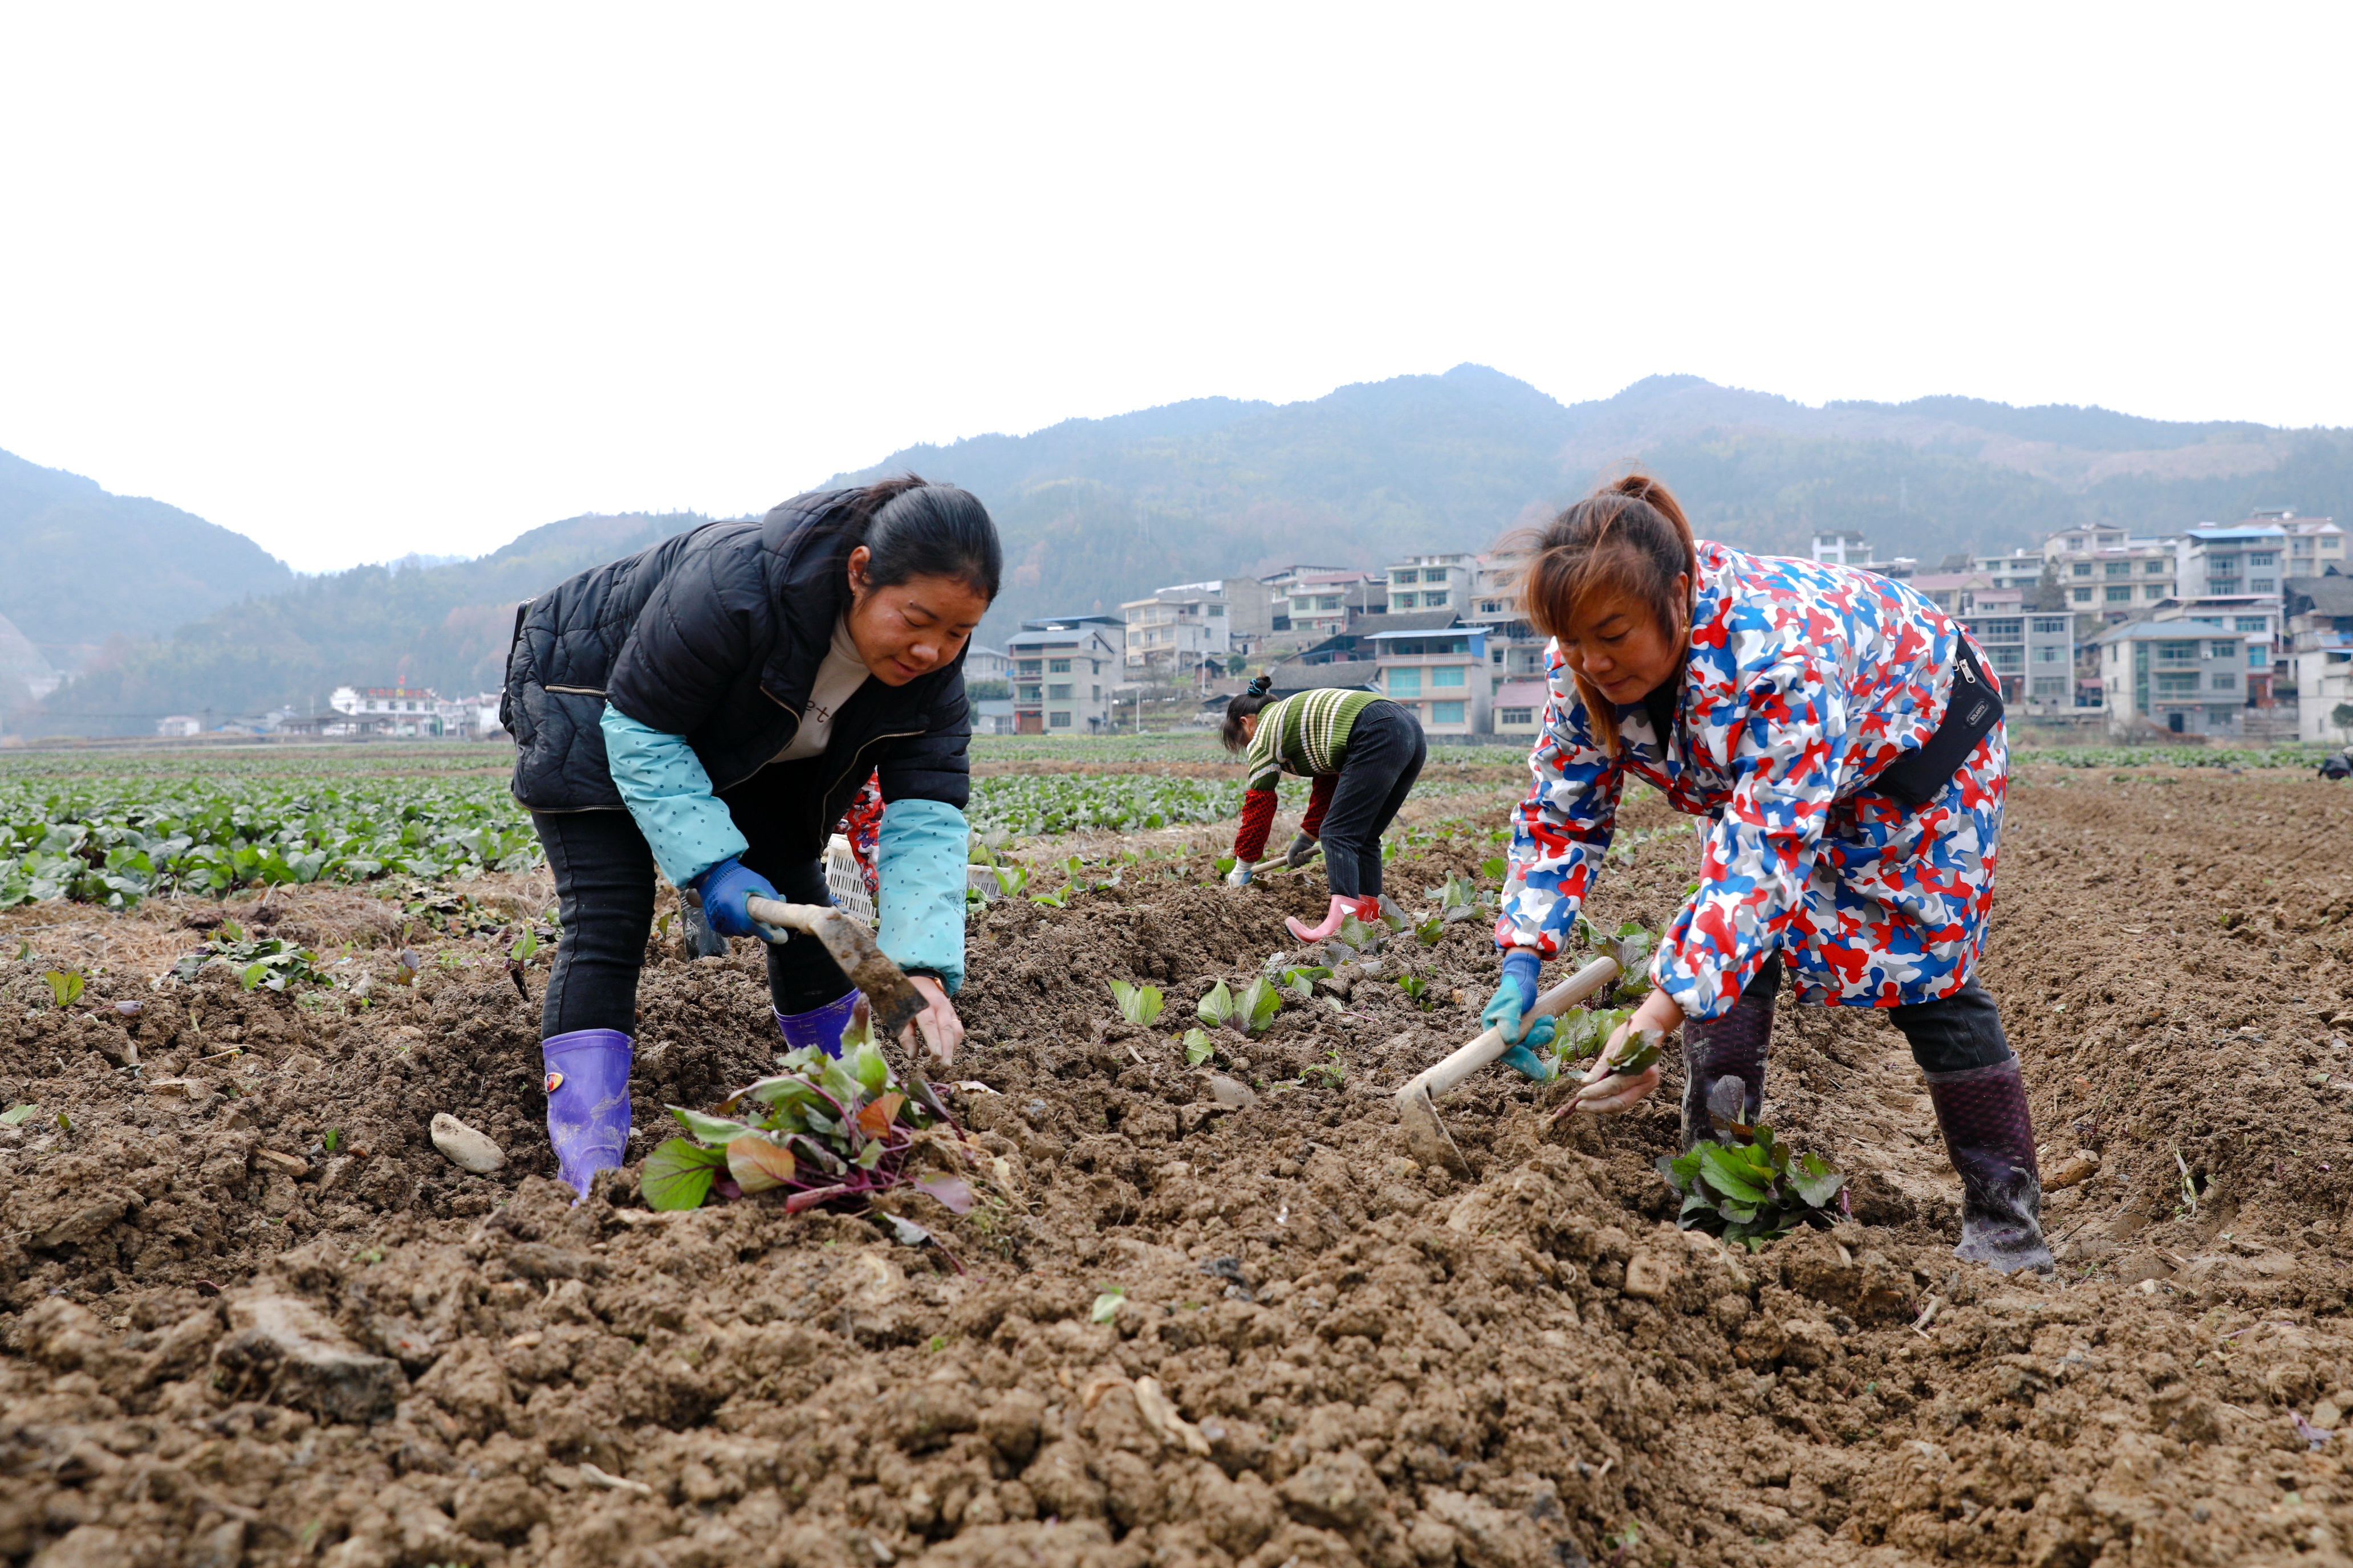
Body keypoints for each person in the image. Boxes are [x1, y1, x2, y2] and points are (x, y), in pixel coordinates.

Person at [1480, 475, 2049, 1274]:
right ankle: (1715, 1187)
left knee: (1928, 976)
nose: (1590, 660)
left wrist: (1650, 1019)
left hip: (1920, 742)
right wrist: (1521, 959)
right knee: (1735, 957)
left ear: (1676, 596)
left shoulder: (1780, 659)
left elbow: (1755, 869)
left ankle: (2006, 1225)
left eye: (1611, 633)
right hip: (1784, 761)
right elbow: (1560, 811)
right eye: (1571, 639)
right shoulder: (1581, 660)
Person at [503, 477, 996, 1200]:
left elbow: (927, 817)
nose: (932, 651)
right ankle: (589, 1172)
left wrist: (919, 963)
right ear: (859, 572)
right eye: (917, 620)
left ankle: (848, 1122)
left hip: (740, 736)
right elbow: (642, 731)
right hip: (591, 694)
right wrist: (711, 867)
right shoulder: (738, 588)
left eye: (959, 633)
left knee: (799, 892)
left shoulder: (930, 681)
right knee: (610, 915)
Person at [1220, 675, 1426, 942]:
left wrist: (1243, 866)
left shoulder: (1263, 736)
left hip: (1375, 729)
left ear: (1246, 724)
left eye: (1242, 741)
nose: (1248, 748)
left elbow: (1259, 806)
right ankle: (1372, 919)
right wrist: (1306, 838)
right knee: (1364, 836)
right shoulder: (1296, 720)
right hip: (1408, 728)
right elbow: (1328, 784)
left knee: (1338, 834)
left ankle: (1342, 931)